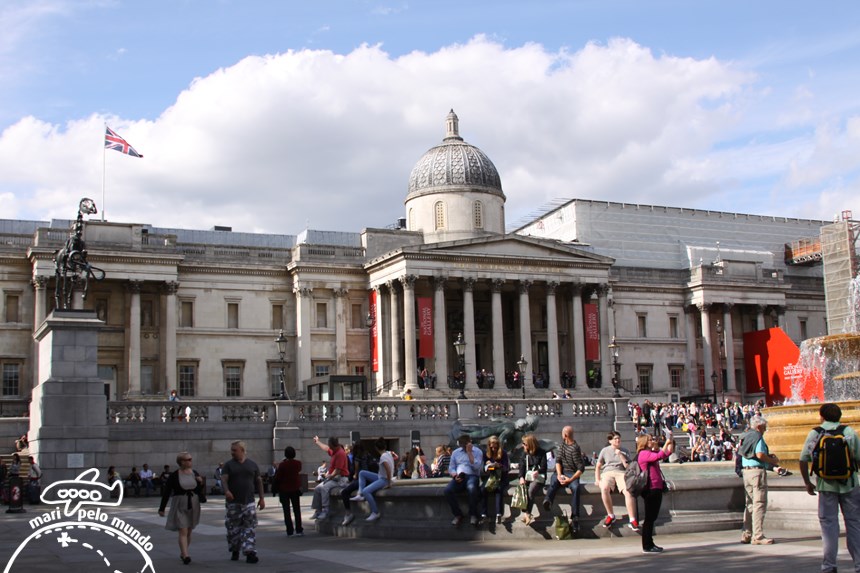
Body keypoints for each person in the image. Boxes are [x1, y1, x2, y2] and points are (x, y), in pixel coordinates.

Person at [799, 403, 860, 573]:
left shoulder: (816, 433)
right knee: (854, 524)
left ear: (822, 416)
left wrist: (807, 482)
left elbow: (803, 459)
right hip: (849, 485)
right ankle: (858, 564)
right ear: (840, 416)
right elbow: (858, 458)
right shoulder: (848, 432)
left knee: (829, 527)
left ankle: (829, 566)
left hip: (825, 486)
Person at [222, 440, 265, 564]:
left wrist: (261, 498)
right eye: (231, 450)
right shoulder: (228, 465)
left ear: (242, 450)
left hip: (249, 502)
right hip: (234, 503)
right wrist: (226, 491)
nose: (232, 453)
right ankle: (235, 549)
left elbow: (259, 481)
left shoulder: (252, 465)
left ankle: (249, 551)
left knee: (249, 527)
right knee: (233, 529)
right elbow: (224, 479)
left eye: (234, 450)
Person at [158, 451, 204, 565]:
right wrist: (162, 508)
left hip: (193, 503)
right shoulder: (174, 475)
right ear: (181, 462)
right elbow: (167, 492)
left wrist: (200, 483)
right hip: (180, 504)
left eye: (191, 459)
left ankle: (184, 552)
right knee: (183, 529)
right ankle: (186, 555)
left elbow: (198, 490)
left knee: (189, 530)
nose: (190, 461)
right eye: (187, 460)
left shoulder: (194, 473)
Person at [739, 415, 779, 545]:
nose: (765, 430)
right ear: (759, 426)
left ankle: (746, 534)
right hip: (756, 473)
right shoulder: (758, 436)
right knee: (759, 503)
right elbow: (760, 454)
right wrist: (772, 460)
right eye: (764, 427)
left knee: (749, 504)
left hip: (746, 472)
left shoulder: (746, 436)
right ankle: (758, 536)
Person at [636, 431, 674, 553]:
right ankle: (646, 545)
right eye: (650, 439)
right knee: (649, 518)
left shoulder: (650, 452)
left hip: (656, 487)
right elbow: (659, 456)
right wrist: (667, 442)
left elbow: (667, 453)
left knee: (652, 517)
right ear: (644, 443)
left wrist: (671, 440)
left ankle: (650, 543)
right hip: (650, 488)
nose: (652, 441)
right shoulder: (643, 454)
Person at [543, 425, 585, 533]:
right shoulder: (562, 445)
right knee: (553, 481)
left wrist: (570, 480)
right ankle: (548, 500)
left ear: (565, 435)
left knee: (576, 488)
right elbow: (558, 461)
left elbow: (581, 468)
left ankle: (575, 516)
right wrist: (559, 474)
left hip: (572, 473)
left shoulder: (575, 448)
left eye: (562, 433)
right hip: (562, 472)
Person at [594, 431, 639, 531]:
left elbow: (628, 466)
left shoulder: (625, 450)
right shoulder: (605, 450)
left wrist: (621, 455)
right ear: (610, 441)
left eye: (619, 438)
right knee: (604, 488)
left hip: (621, 472)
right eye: (615, 439)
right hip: (607, 472)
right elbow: (598, 466)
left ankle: (632, 519)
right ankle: (610, 515)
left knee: (628, 491)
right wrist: (597, 479)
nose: (618, 440)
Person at [350, 437, 395, 522]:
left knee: (366, 491)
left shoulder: (383, 457)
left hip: (384, 479)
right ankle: (359, 494)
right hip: (381, 476)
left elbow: (388, 470)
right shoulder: (388, 453)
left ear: (376, 448)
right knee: (362, 473)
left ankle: (375, 512)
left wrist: (389, 483)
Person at [444, 434, 483, 527]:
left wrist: (470, 453)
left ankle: (473, 514)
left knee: (472, 488)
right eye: (462, 445)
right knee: (447, 490)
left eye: (466, 444)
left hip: (472, 475)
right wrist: (454, 475)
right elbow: (451, 467)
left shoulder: (477, 452)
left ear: (470, 443)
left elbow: (477, 467)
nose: (464, 447)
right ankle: (458, 514)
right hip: (459, 477)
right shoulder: (456, 452)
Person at [309, 435, 349, 520]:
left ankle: (326, 510)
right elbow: (326, 448)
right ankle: (318, 510)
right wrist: (317, 442)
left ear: (334, 445)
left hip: (340, 478)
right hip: (334, 477)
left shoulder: (340, 453)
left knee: (324, 488)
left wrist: (329, 477)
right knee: (317, 489)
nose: (329, 447)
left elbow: (338, 470)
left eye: (330, 446)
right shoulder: (334, 450)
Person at [341, 441, 378, 525]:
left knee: (344, 492)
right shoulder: (368, 454)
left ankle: (348, 514)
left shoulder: (357, 457)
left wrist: (351, 478)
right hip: (370, 479)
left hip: (361, 480)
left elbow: (355, 471)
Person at [273, 446, 304, 537]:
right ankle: (299, 529)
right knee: (297, 510)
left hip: (284, 489)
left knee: (286, 511)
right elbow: (298, 470)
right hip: (295, 488)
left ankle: (289, 531)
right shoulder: (298, 463)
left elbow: (278, 477)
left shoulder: (283, 465)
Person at [517, 433, 547, 526]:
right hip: (527, 477)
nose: (522, 445)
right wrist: (521, 477)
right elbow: (521, 467)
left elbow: (544, 467)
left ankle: (527, 513)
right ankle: (526, 514)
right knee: (522, 490)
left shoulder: (541, 452)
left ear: (530, 444)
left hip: (538, 477)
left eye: (524, 444)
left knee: (530, 491)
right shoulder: (524, 454)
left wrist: (537, 472)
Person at [481, 435, 510, 524]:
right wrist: (487, 465)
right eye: (491, 447)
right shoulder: (486, 454)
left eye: (495, 446)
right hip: (490, 477)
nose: (493, 449)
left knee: (499, 489)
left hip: (501, 477)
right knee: (483, 489)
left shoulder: (503, 453)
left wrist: (499, 465)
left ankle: (499, 514)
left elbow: (507, 468)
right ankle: (484, 514)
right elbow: (482, 468)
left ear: (498, 445)